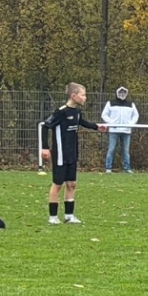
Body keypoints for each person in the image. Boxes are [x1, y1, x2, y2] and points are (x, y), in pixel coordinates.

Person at [39, 84, 105, 223]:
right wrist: (45, 147)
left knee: (72, 184)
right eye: (83, 95)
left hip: (72, 153)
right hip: (60, 154)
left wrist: (97, 127)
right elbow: (45, 126)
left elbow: (82, 122)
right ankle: (53, 217)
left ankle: (69, 216)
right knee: (58, 184)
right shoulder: (61, 112)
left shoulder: (77, 112)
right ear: (74, 96)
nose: (85, 98)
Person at [101, 87, 138, 172]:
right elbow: (104, 115)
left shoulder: (131, 104)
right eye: (120, 92)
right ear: (117, 93)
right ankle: (108, 168)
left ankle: (127, 168)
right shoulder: (110, 103)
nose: (122, 94)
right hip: (114, 130)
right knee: (111, 149)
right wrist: (112, 122)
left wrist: (130, 124)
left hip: (126, 131)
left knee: (126, 151)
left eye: (124, 93)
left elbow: (136, 115)